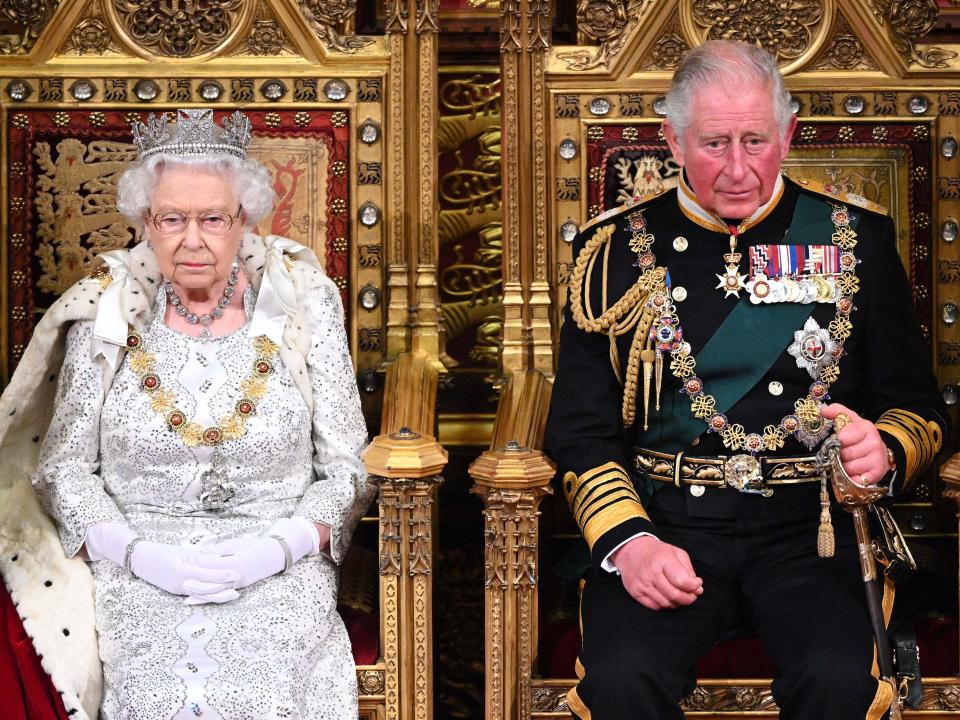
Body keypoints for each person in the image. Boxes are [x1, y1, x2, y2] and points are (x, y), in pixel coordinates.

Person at [545, 40, 948, 719]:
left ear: (786, 133)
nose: (738, 169)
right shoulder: (612, 251)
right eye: (713, 143)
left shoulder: (855, 239)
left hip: (810, 532)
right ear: (672, 140)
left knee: (839, 682)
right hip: (668, 522)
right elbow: (580, 430)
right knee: (619, 682)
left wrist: (884, 450)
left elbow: (917, 405)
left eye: (756, 140)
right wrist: (628, 543)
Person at [0, 108, 373, 719]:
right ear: (146, 223)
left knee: (257, 693)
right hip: (138, 564)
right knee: (161, 696)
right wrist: (136, 553)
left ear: (244, 220)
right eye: (171, 218)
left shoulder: (303, 308)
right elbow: (63, 467)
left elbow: (348, 467)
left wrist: (282, 547)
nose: (191, 239)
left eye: (212, 219)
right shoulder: (105, 315)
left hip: (277, 565)